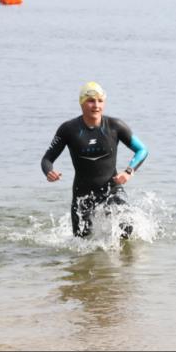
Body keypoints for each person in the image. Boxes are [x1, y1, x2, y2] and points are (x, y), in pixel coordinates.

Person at [41, 82, 148, 239]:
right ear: (81, 103)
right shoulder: (68, 129)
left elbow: (142, 150)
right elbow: (47, 159)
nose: (96, 105)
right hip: (82, 195)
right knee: (81, 245)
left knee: (127, 230)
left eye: (100, 101)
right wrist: (49, 172)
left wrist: (128, 171)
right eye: (91, 100)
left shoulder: (115, 126)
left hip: (112, 190)